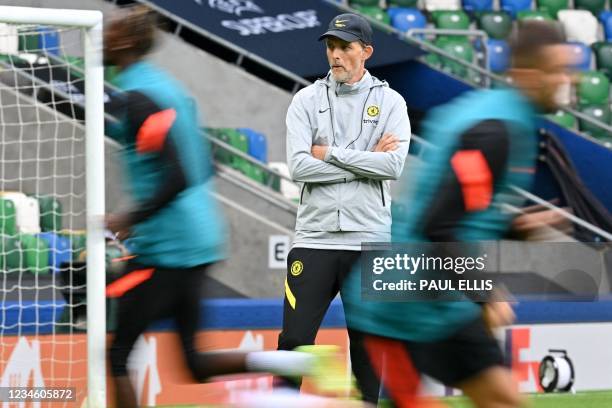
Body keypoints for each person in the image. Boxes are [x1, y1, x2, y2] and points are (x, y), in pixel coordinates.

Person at [103, 6, 344, 407]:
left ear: (125, 42)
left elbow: (177, 174)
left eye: (109, 32)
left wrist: (128, 218)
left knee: (115, 354)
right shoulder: (167, 89)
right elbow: (204, 160)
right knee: (192, 363)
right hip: (198, 239)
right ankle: (295, 362)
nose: (102, 38)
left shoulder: (141, 96)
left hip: (169, 248)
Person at [342, 21, 576, 408]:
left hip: (441, 300)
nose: (568, 81)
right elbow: (439, 224)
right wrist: (487, 295)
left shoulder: (497, 116)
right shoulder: (495, 130)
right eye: (557, 71)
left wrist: (515, 226)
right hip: (399, 307)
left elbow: (458, 207)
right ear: (526, 75)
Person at [280, 12, 411, 403]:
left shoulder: (391, 101)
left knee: (370, 344)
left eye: (345, 47)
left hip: (370, 241)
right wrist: (362, 162)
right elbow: (299, 167)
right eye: (331, 47)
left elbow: (393, 166)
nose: (335, 55)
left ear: (365, 51)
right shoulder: (305, 99)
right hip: (314, 239)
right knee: (295, 341)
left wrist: (331, 155)